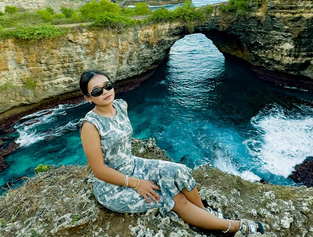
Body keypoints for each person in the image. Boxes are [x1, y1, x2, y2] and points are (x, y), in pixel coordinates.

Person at [78, 70, 264, 235]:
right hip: (112, 187)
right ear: (88, 98)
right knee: (171, 196)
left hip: (132, 165)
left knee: (181, 172)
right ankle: (229, 226)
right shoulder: (90, 126)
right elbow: (99, 171)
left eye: (107, 86)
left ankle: (204, 216)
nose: (105, 92)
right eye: (97, 91)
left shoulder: (120, 106)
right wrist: (137, 184)